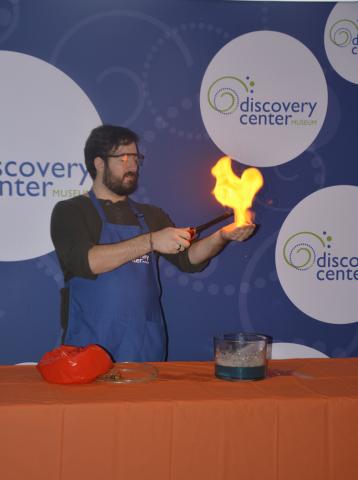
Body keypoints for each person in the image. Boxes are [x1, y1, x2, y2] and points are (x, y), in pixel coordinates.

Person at [51, 125, 256, 362]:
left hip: (144, 342)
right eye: (124, 158)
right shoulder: (71, 211)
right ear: (99, 163)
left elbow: (188, 259)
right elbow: (86, 262)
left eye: (136, 158)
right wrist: (151, 241)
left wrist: (222, 236)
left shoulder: (151, 215)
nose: (133, 166)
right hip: (89, 346)